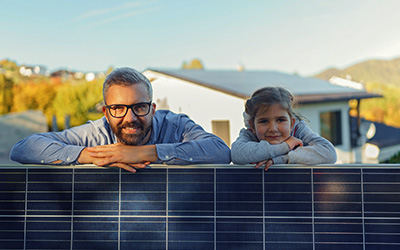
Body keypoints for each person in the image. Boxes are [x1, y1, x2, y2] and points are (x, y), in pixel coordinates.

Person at [10, 67, 231, 172]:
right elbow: (23, 148)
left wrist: (145, 152)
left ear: (153, 109)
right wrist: (89, 155)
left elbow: (220, 151)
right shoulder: (94, 135)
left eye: (139, 107)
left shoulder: (177, 126)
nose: (130, 118)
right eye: (118, 108)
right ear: (106, 113)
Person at [231, 86, 337, 170]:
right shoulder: (250, 133)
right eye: (264, 121)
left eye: (280, 120)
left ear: (292, 123)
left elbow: (329, 153)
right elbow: (237, 155)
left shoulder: (298, 129)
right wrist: (286, 146)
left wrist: (284, 158)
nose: (273, 128)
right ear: (253, 126)